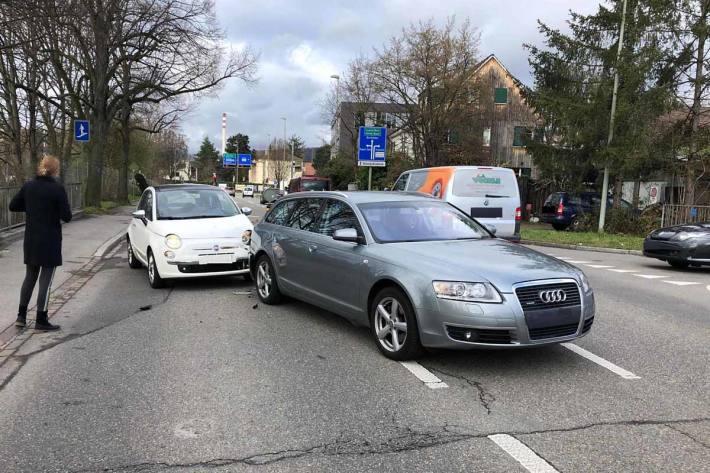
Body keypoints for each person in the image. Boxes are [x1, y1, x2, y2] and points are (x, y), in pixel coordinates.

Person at [9, 156, 72, 331]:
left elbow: (13, 205)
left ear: (41, 167)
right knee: (46, 280)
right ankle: (41, 319)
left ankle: (21, 317)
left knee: (30, 277)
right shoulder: (57, 189)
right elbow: (67, 216)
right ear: (55, 170)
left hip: (31, 240)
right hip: (50, 241)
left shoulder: (29, 186)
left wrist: (32, 207)